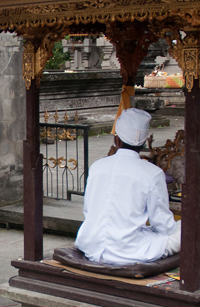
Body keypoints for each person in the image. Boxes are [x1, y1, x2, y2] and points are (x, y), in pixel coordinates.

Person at [75, 108, 181, 265]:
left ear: (116, 140)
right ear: (144, 142)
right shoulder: (153, 173)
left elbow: (89, 212)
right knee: (188, 229)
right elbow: (163, 225)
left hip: (90, 245)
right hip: (128, 252)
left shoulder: (97, 167)